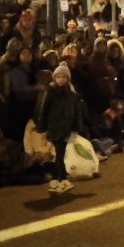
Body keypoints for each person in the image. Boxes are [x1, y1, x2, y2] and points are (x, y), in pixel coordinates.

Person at [34, 63, 90, 195]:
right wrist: (42, 126)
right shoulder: (50, 92)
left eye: (64, 77)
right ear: (55, 78)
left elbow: (76, 112)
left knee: (60, 153)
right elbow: (43, 110)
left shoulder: (72, 95)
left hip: (66, 128)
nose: (61, 79)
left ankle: (56, 180)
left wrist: (76, 127)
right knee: (59, 153)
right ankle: (62, 178)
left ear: (68, 79)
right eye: (58, 77)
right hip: (54, 127)